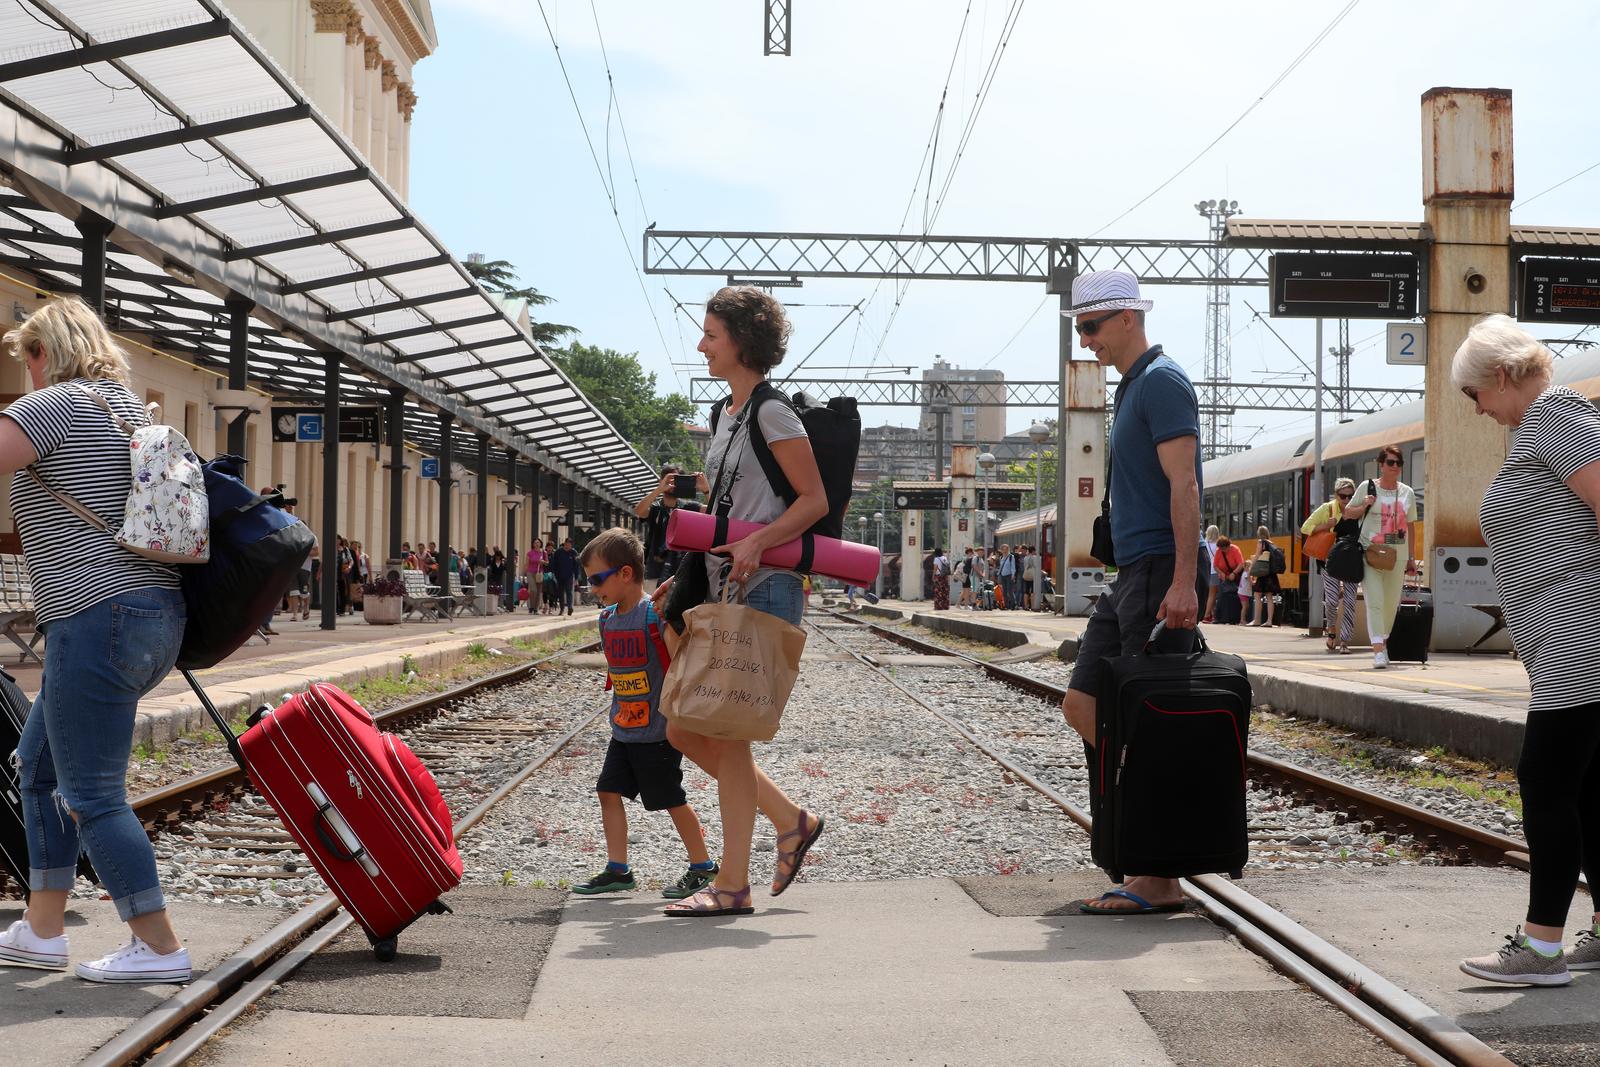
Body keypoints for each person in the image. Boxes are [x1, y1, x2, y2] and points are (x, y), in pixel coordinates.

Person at [0, 297, 192, 983]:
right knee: (41, 767)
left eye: (25, 356)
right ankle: (43, 930)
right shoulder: (127, 408)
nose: (23, 371)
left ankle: (160, 946)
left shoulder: (57, 403)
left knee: (92, 791)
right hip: (151, 616)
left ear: (43, 353)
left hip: (95, 616)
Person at [653, 286, 826, 917]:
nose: (701, 344)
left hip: (766, 583)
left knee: (726, 733)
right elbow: (731, 507)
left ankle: (731, 883)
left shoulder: (773, 414)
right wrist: (689, 568)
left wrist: (758, 543)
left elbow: (813, 501)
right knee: (682, 725)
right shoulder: (726, 415)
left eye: (711, 335)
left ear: (742, 343)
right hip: (724, 584)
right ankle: (790, 820)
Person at [1451, 315, 1600, 985]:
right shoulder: (1539, 426)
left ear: (1503, 375)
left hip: (1581, 633)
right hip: (1565, 636)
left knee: (1546, 780)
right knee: (1587, 788)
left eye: (1475, 394)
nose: (1478, 409)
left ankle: (1541, 948)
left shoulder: (1555, 414)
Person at [1056, 270, 1206, 916]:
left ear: (1126, 319)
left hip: (1157, 570)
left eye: (1092, 326)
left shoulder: (1163, 383)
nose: (1087, 340)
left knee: (1145, 719)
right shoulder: (1134, 389)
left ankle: (1157, 873)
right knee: (1084, 703)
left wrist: (1182, 580)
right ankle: (1137, 840)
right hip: (1132, 573)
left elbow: (1186, 486)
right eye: (1079, 328)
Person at [571, 528, 719, 900]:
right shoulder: (606, 619)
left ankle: (703, 866)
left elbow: (678, 661)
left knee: (670, 798)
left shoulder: (655, 616)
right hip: (623, 727)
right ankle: (618, 869)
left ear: (624, 574)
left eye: (596, 579)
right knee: (608, 790)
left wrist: (670, 617)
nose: (592, 588)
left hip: (658, 730)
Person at [1345, 444, 1418, 669]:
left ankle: (1383, 644)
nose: (1395, 467)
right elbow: (1348, 512)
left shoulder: (1407, 492)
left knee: (1390, 604)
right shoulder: (1367, 488)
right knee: (1375, 602)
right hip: (1371, 553)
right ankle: (1377, 650)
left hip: (1397, 554)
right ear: (1381, 464)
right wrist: (1365, 505)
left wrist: (1412, 558)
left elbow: (1412, 526)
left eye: (1398, 463)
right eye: (1390, 462)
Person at [1301, 478, 1359, 653]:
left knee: (1350, 602)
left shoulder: (1358, 510)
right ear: (1336, 495)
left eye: (1351, 496)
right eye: (1343, 496)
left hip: (1352, 561)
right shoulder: (1328, 509)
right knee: (1333, 600)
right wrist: (1326, 525)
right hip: (1330, 561)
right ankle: (1332, 628)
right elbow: (1305, 527)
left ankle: (1345, 641)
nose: (1347, 500)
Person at [636, 465, 693, 590]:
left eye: (676, 480)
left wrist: (705, 489)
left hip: (681, 571)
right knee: (652, 606)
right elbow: (639, 511)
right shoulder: (654, 508)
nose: (672, 484)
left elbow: (712, 512)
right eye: (668, 480)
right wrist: (659, 489)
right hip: (654, 570)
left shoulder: (688, 507)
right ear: (661, 481)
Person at [1247, 526, 1281, 627]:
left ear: (1259, 533)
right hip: (1271, 573)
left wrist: (1250, 569)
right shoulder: (1271, 543)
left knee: (1257, 595)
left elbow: (1257, 555)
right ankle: (1269, 621)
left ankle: (1257, 620)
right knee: (1269, 597)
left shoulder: (1261, 542)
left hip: (1263, 573)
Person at [1211, 535, 1244, 624]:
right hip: (1224, 578)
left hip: (1235, 577)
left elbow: (1241, 564)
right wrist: (1220, 573)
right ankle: (1220, 618)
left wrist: (1234, 573)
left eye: (1224, 549)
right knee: (1221, 597)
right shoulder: (1219, 551)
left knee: (1235, 597)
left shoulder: (1235, 550)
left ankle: (1234, 618)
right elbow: (1215, 565)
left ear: (1228, 546)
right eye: (1221, 549)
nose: (1223, 551)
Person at [549, 537, 580, 616]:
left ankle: (570, 607)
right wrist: (553, 574)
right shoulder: (558, 552)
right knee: (561, 593)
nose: (567, 546)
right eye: (566, 544)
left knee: (569, 592)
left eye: (569, 545)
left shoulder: (574, 553)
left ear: (571, 545)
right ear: (564, 544)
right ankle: (562, 608)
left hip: (569, 576)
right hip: (559, 576)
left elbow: (576, 566)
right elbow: (553, 563)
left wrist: (576, 577)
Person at [1202, 526, 1221, 622]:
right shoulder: (1218, 545)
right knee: (1213, 595)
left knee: (1209, 594)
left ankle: (1211, 614)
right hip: (1215, 571)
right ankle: (1206, 615)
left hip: (1207, 570)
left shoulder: (1205, 543)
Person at [525, 538, 546, 614]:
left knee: (538, 591)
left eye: (538, 542)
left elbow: (547, 562)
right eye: (535, 543)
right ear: (533, 544)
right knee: (533, 590)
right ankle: (531, 606)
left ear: (540, 544)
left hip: (539, 573)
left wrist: (543, 562)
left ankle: (535, 609)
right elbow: (526, 563)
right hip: (530, 573)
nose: (537, 544)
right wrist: (526, 572)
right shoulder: (530, 553)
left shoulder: (543, 553)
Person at [930, 545, 951, 610]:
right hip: (945, 576)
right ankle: (945, 606)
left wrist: (933, 576)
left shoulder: (936, 559)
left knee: (938, 591)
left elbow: (935, 568)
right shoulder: (945, 558)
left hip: (939, 577)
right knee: (945, 591)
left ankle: (938, 606)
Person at [997, 542, 1015, 609]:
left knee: (1009, 591)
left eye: (1006, 549)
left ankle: (1013, 604)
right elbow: (1000, 567)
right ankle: (1006, 605)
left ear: (1008, 549)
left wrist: (1013, 574)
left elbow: (1013, 566)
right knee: (1004, 591)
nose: (1004, 551)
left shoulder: (1011, 557)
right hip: (1002, 575)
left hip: (1009, 575)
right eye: (1003, 549)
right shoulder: (1001, 557)